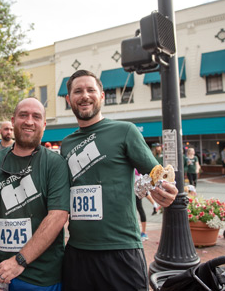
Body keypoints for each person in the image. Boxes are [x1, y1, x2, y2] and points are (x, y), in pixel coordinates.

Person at [61, 70, 178, 291]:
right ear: (69, 100)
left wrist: (166, 189)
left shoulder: (125, 131)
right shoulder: (66, 144)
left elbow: (157, 175)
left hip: (121, 249)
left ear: (102, 96)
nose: (84, 95)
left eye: (90, 90)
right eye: (77, 91)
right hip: (77, 251)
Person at [0, 98, 70, 291]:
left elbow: (58, 215)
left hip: (43, 278)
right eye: (23, 115)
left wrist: (19, 261)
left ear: (44, 125)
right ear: (13, 120)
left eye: (36, 117)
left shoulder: (55, 163)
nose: (29, 121)